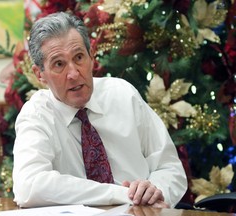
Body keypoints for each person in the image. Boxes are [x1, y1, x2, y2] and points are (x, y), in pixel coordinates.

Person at [12, 11, 187, 209]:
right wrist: (121, 194)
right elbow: (29, 186)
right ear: (39, 75)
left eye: (79, 57)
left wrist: (155, 191)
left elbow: (170, 167)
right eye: (59, 64)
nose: (73, 73)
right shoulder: (37, 114)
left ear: (91, 57)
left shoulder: (122, 94)